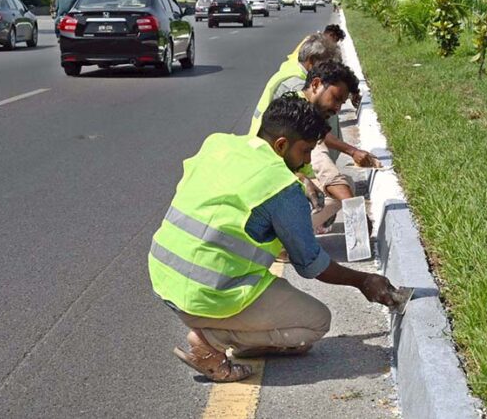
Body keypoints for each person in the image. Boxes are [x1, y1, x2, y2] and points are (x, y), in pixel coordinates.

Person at [148, 94, 405, 382]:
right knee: (316, 323)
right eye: (305, 151)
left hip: (165, 278)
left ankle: (231, 332)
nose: (307, 160)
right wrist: (363, 281)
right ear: (281, 145)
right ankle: (211, 340)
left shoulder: (219, 144)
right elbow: (312, 265)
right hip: (208, 294)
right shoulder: (281, 188)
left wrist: (298, 177)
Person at [300, 61, 381, 231]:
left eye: (341, 103)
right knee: (339, 190)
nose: (337, 108)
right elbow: (319, 159)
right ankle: (284, 241)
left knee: (345, 185)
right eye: (336, 98)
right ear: (316, 84)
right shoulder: (297, 117)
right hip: (267, 192)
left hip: (280, 184)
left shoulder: (306, 112)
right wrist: (356, 211)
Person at [248, 33, 340, 136]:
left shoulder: (291, 68)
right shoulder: (297, 87)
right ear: (312, 60)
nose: (329, 71)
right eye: (326, 66)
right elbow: (312, 131)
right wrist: (352, 151)